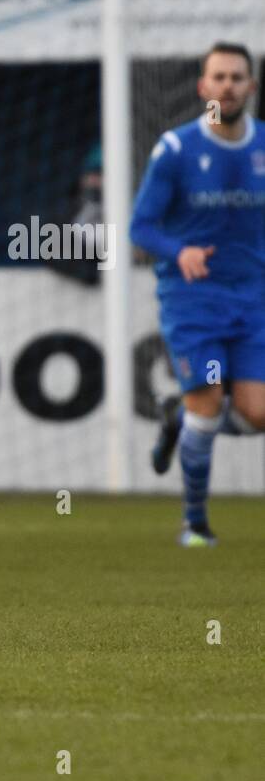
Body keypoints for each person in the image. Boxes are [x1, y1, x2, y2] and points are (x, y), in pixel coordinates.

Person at [131, 42, 265, 546]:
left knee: (257, 413)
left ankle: (175, 418)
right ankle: (195, 522)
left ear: (251, 87)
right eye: (219, 77)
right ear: (202, 88)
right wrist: (179, 250)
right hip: (194, 300)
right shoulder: (177, 150)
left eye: (237, 77)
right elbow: (141, 228)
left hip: (252, 299)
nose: (227, 86)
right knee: (208, 398)